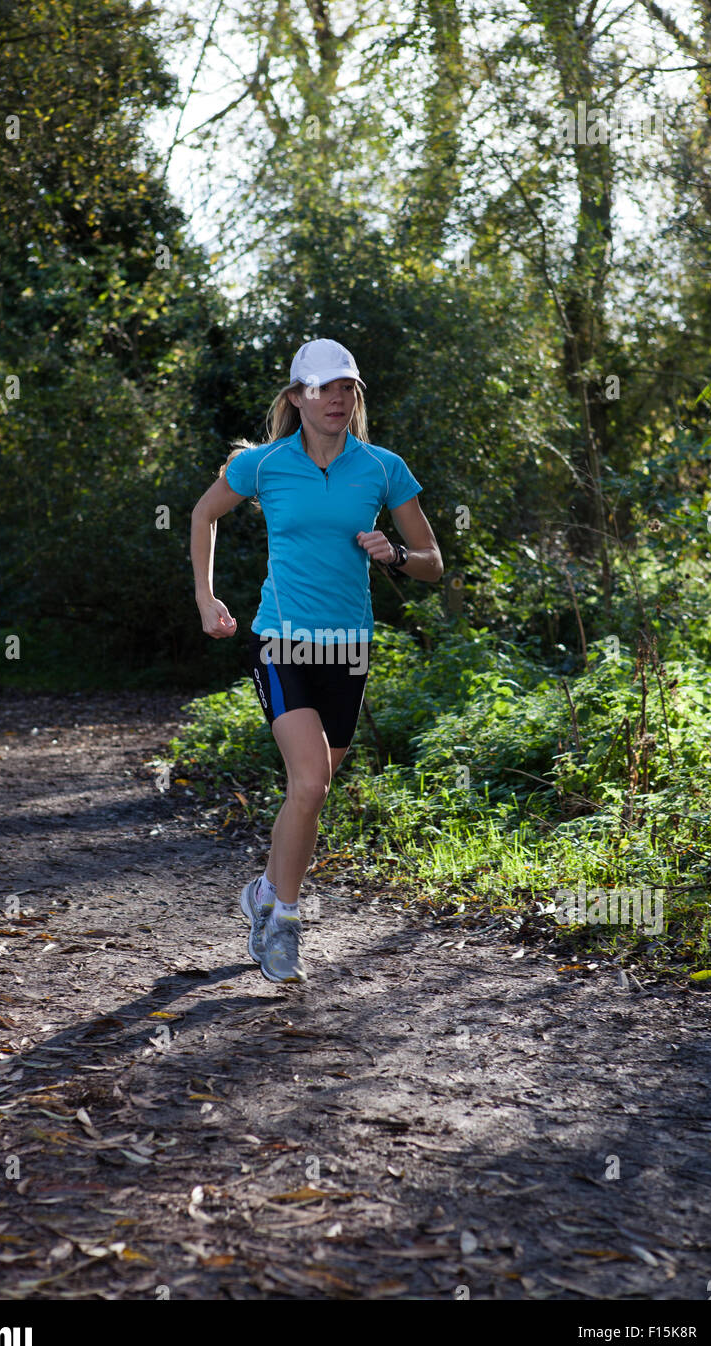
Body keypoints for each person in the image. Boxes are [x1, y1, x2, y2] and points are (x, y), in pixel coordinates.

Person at [190, 338, 443, 984]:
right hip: (281, 642)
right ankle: (284, 926)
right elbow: (203, 514)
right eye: (324, 387)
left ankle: (264, 892)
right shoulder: (264, 465)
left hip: (348, 651)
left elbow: (432, 565)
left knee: (310, 793)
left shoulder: (383, 469)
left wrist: (392, 556)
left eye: (347, 387)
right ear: (297, 397)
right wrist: (205, 594)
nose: (337, 397)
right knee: (309, 783)